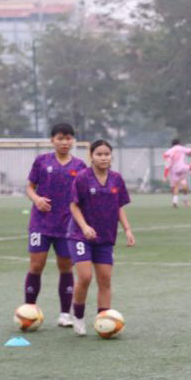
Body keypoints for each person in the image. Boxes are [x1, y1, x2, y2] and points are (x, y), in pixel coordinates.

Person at [67, 139, 135, 336]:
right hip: (80, 235)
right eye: (99, 154)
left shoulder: (117, 179)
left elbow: (119, 206)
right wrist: (85, 226)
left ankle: (103, 320)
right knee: (85, 277)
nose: (103, 157)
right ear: (91, 156)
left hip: (105, 236)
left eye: (107, 154)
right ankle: (78, 315)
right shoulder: (82, 178)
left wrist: (127, 229)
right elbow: (74, 205)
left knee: (105, 280)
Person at [24, 123, 87, 327]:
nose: (64, 142)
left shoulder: (79, 167)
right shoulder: (42, 162)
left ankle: (64, 314)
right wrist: (36, 199)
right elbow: (29, 187)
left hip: (67, 225)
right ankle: (29, 309)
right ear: (52, 140)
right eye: (60, 138)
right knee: (36, 265)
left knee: (65, 267)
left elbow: (83, 195)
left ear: (73, 141)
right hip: (41, 223)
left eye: (68, 138)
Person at [162, 138, 191, 208]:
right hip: (182, 168)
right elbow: (190, 151)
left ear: (172, 144)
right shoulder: (180, 148)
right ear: (179, 143)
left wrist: (165, 176)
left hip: (174, 170)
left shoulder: (169, 151)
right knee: (184, 185)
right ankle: (185, 201)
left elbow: (165, 157)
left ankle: (175, 202)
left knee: (175, 186)